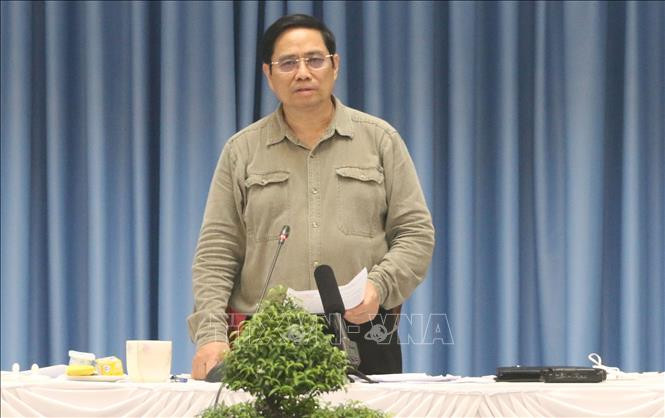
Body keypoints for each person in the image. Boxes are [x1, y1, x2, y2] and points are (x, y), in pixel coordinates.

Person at [188, 14, 435, 380]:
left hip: (363, 329)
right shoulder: (242, 150)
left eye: (314, 59)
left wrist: (379, 286)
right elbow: (216, 251)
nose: (302, 72)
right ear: (268, 74)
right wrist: (211, 335)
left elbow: (415, 234)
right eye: (288, 63)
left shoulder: (380, 140)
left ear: (335, 65)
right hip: (265, 331)